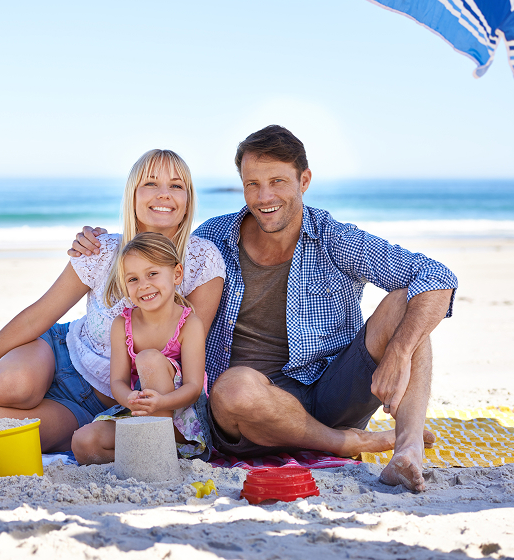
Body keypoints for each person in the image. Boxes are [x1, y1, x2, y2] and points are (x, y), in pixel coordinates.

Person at [69, 125, 458, 492]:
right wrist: (104, 244)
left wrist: (400, 352)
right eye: (252, 184)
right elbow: (160, 266)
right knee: (235, 388)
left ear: (304, 181)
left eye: (277, 182)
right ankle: (342, 443)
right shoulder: (214, 240)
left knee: (408, 301)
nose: (264, 197)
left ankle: (407, 449)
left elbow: (436, 276)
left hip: (333, 390)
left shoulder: (333, 237)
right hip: (250, 408)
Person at [0, 149, 225, 456]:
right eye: (150, 183)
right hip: (59, 352)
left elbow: (181, 351)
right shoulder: (101, 249)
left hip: (100, 401)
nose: (164, 193)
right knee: (14, 383)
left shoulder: (201, 261)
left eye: (176, 185)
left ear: (188, 198)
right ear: (133, 196)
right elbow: (39, 314)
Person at [71, 232, 208, 464]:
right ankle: (147, 459)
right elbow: (118, 382)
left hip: (182, 423)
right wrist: (130, 399)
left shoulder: (189, 323)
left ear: (176, 274)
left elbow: (194, 388)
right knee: (83, 442)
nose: (143, 286)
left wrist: (162, 403)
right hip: (143, 411)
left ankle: (159, 452)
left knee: (149, 359)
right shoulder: (122, 324)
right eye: (133, 279)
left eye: (152, 274)